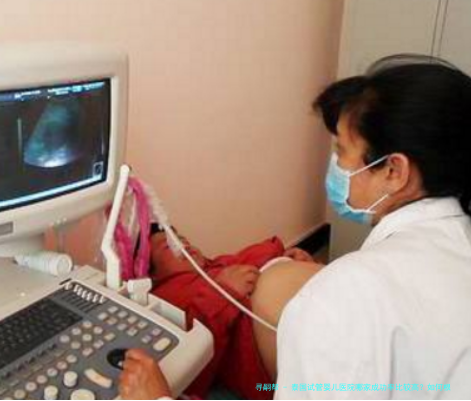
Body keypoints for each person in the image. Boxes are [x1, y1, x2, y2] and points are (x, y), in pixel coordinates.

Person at [118, 54, 471, 399]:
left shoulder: (347, 299)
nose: (336, 165)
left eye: (342, 150)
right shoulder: (450, 247)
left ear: (393, 171)